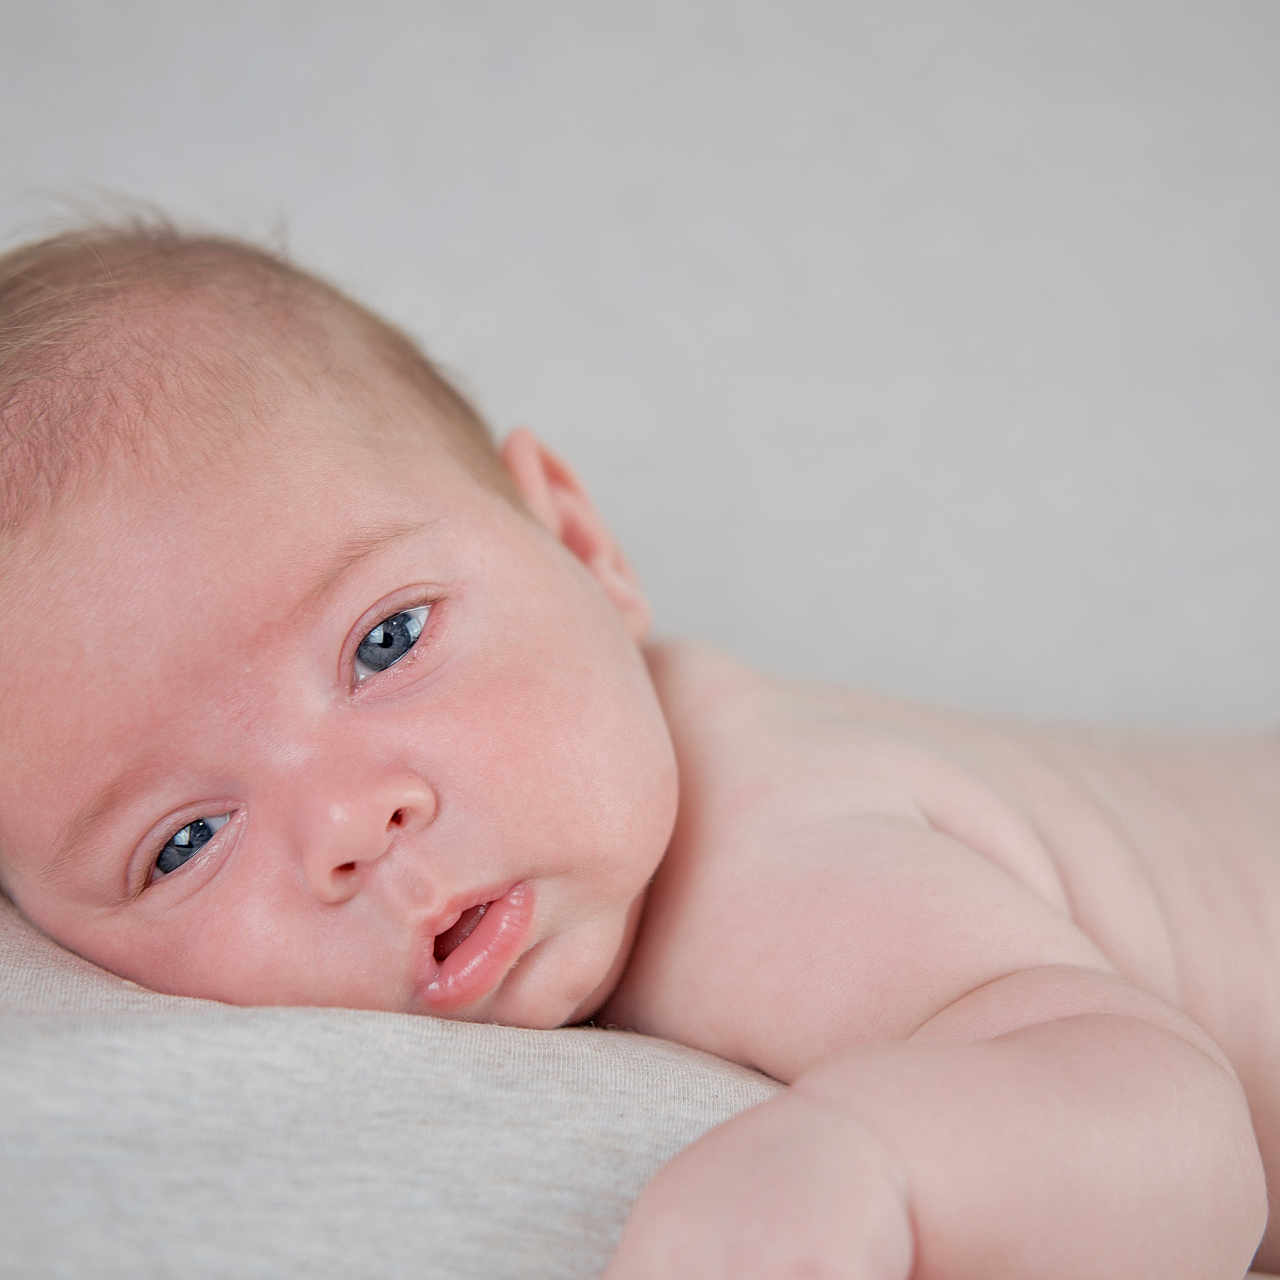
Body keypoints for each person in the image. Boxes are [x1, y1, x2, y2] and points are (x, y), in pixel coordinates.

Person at [0, 221, 1273, 1279]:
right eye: (183, 840)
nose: (349, 821)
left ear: (580, 543)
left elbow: (1195, 1156)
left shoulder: (768, 840)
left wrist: (864, 1162)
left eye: (386, 641)